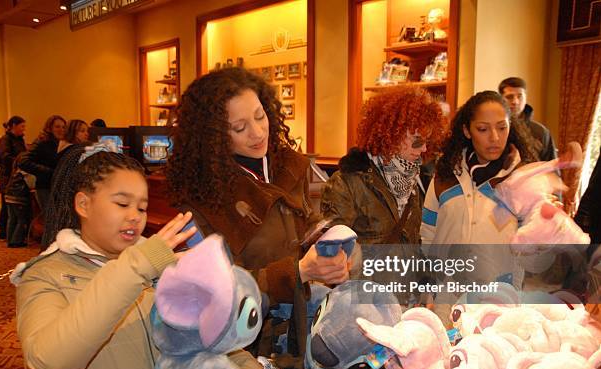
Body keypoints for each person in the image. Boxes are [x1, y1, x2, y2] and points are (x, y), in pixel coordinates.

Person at [13, 144, 199, 369]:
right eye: (122, 203)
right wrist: (137, 268)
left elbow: (199, 344)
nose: (134, 217)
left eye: (142, 208)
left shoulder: (153, 265)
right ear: (83, 204)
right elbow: (50, 359)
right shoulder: (44, 275)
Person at [166, 67, 351, 308]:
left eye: (260, 116)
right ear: (212, 137)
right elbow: (220, 294)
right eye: (239, 128)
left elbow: (315, 225)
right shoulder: (201, 201)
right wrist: (297, 272)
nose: (257, 132)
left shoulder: (292, 165)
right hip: (255, 338)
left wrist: (337, 254)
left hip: (311, 313)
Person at [420, 91, 536, 289]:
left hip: (500, 295)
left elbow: (534, 248)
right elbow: (428, 233)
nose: (495, 137)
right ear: (467, 131)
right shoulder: (445, 175)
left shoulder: (522, 178)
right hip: (446, 292)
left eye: (502, 128)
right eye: (483, 129)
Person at [320, 86, 446, 244]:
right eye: (417, 140)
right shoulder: (346, 183)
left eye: (427, 141)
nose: (424, 148)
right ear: (393, 133)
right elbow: (333, 249)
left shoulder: (414, 179)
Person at [498, 77, 557, 161]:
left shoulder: (541, 132)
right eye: (509, 97)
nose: (515, 101)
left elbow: (552, 166)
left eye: (519, 96)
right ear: (500, 99)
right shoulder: (495, 130)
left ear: (526, 98)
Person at [19, 115, 66, 210]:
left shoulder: (61, 143)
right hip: (45, 188)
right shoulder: (42, 141)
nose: (61, 129)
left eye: (63, 127)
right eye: (57, 127)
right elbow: (23, 161)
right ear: (49, 128)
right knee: (50, 220)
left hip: (57, 187)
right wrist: (48, 171)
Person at [0, 116, 27, 240]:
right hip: (8, 177)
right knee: (7, 207)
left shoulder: (20, 140)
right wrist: (19, 161)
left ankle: (10, 234)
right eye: (22, 126)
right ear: (14, 125)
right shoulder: (5, 140)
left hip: (16, 176)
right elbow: (4, 156)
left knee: (11, 209)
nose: (24, 129)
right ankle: (4, 233)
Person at [4, 152, 32, 247]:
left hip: (8, 196)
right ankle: (16, 241)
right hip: (18, 198)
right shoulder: (24, 173)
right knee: (21, 219)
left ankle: (9, 240)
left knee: (11, 218)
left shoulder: (15, 171)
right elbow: (31, 184)